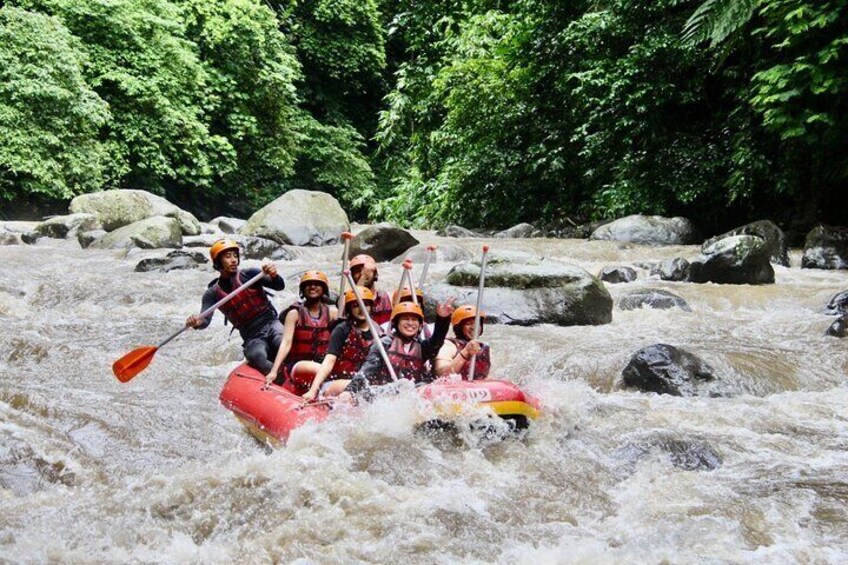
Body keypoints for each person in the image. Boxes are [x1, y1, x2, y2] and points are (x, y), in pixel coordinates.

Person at [186, 239, 284, 373]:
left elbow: (279, 286)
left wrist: (274, 275)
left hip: (271, 323)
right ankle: (279, 378)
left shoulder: (249, 275)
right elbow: (204, 321)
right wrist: (196, 322)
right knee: (256, 356)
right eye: (228, 257)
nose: (233, 260)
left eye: (235, 256)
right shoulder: (212, 294)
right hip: (251, 336)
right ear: (218, 262)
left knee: (281, 342)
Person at [341, 298, 456, 402]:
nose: (410, 323)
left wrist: (443, 319)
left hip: (412, 394)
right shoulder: (383, 345)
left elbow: (437, 340)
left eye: (414, 320)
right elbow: (367, 371)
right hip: (385, 393)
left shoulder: (422, 347)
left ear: (420, 325)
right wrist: (350, 390)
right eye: (405, 319)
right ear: (396, 323)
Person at [299, 286, 381, 402]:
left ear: (371, 307)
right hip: (337, 383)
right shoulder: (342, 330)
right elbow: (329, 360)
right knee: (361, 386)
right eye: (356, 306)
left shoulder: (378, 332)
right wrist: (313, 390)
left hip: (363, 383)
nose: (362, 309)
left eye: (365, 305)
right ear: (349, 309)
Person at [264, 270, 338, 387]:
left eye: (317, 284)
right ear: (302, 290)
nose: (312, 287)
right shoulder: (294, 314)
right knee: (324, 370)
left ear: (324, 289)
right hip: (297, 365)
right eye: (308, 284)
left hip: (323, 364)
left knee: (328, 370)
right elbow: (286, 343)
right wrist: (274, 371)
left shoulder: (333, 314)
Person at [434, 305, 490, 380]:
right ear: (459, 327)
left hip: (477, 388)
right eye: (468, 323)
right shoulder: (448, 345)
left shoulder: (483, 348)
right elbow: (441, 374)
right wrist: (465, 352)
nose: (474, 327)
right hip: (453, 388)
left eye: (477, 323)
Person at [349, 254, 393, 325]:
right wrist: (363, 277)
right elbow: (354, 300)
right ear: (352, 276)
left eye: (367, 270)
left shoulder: (389, 298)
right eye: (357, 271)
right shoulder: (346, 298)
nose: (362, 273)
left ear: (375, 273)